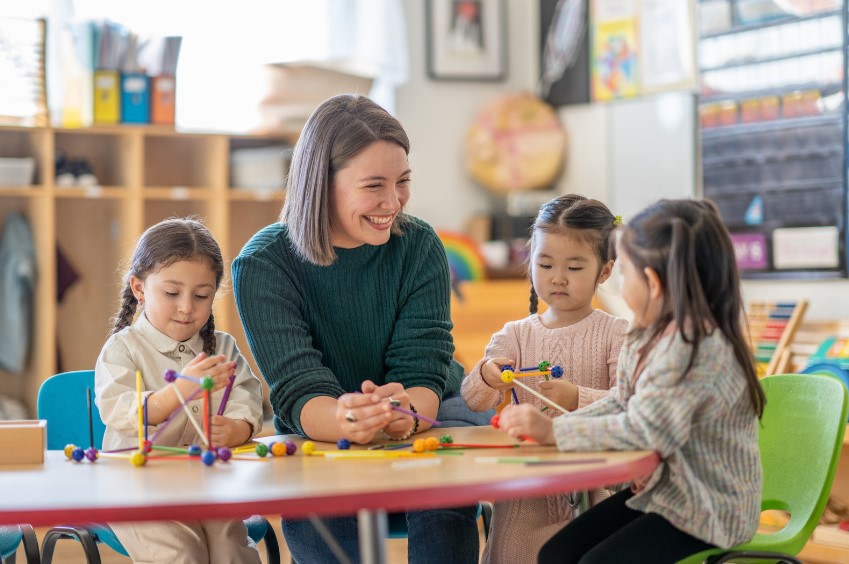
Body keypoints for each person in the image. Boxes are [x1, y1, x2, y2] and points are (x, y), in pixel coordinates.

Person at [231, 93, 487, 564]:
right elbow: (298, 387)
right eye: (374, 185)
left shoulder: (419, 245)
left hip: (423, 409)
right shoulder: (263, 264)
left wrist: (406, 413)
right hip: (320, 428)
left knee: (443, 497)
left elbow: (424, 368)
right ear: (320, 184)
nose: (393, 202)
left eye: (403, 181)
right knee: (321, 514)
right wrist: (348, 421)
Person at [496, 199, 765, 563]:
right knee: (557, 553)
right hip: (666, 496)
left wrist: (555, 433)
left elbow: (646, 431)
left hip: (708, 512)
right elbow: (624, 400)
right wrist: (557, 426)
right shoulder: (649, 334)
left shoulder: (696, 349)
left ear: (651, 282)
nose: (620, 281)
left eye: (627, 272)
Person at [461, 194, 628, 564]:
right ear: (530, 262)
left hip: (596, 491)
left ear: (604, 271)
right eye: (546, 263)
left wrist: (575, 398)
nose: (557, 278)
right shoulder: (516, 334)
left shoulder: (616, 333)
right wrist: (489, 377)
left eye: (574, 267)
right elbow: (473, 400)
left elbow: (629, 405)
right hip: (526, 497)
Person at [95, 217, 264, 564]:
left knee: (231, 550)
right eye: (172, 293)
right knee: (182, 553)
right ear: (140, 289)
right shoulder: (122, 349)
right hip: (133, 488)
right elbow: (119, 409)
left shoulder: (222, 348)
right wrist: (179, 390)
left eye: (202, 295)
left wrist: (237, 428)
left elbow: (247, 398)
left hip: (205, 482)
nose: (187, 307)